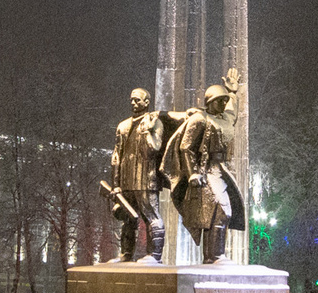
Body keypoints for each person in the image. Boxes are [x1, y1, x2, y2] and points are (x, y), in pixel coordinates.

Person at [161, 76, 244, 265]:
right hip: (205, 171)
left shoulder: (224, 119)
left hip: (220, 170)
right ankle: (214, 257)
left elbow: (233, 112)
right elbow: (186, 147)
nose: (225, 103)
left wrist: (232, 92)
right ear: (210, 101)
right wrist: (192, 173)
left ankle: (212, 257)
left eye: (225, 100)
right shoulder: (199, 119)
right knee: (221, 211)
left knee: (219, 213)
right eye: (221, 100)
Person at [102, 88, 173, 262]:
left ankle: (154, 255)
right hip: (126, 180)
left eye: (137, 100)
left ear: (147, 102)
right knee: (128, 218)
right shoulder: (123, 126)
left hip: (146, 178)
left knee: (151, 216)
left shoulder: (154, 122)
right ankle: (126, 254)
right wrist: (116, 183)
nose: (133, 103)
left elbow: (154, 149)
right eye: (132, 100)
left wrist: (148, 131)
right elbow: (117, 155)